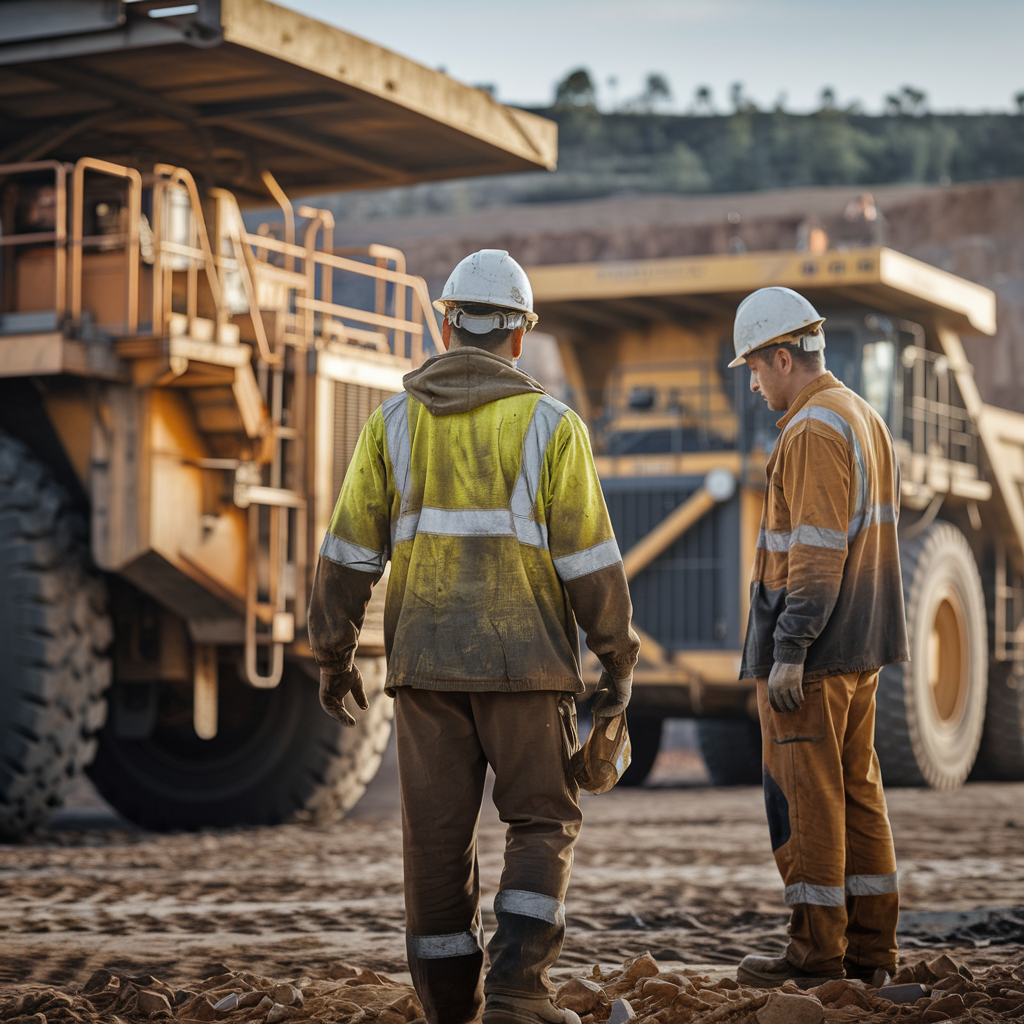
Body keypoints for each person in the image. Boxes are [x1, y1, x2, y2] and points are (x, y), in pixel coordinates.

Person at [308, 249, 640, 1024]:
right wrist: (616, 661)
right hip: (528, 666)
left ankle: (450, 1008)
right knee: (541, 820)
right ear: (520, 338)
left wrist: (334, 654)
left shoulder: (391, 423)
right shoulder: (554, 428)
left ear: (446, 322)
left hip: (423, 669)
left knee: (433, 843)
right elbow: (591, 561)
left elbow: (347, 553)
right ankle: (521, 996)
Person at [727, 287, 909, 989]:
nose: (751, 382)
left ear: (783, 356)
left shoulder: (810, 430)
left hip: (817, 655)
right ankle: (870, 954)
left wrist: (790, 650)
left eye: (754, 367)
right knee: (858, 793)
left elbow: (816, 550)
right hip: (863, 646)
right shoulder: (863, 417)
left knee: (806, 802)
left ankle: (815, 957)